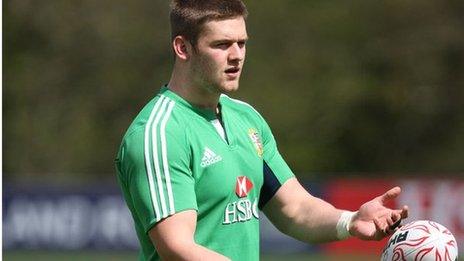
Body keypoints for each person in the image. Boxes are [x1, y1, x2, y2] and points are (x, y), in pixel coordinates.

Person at [115, 0, 409, 260]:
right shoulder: (160, 134)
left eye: (241, 43)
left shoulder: (246, 119)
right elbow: (177, 248)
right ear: (182, 48)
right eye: (221, 45)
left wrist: (350, 221)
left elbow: (294, 209)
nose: (236, 55)